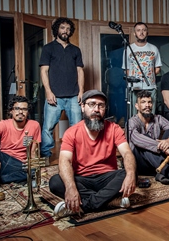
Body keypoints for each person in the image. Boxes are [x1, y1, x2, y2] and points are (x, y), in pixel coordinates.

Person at [49, 90, 137, 218]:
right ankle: (109, 200)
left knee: (131, 171)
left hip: (107, 178)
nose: (96, 109)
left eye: (101, 105)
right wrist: (71, 188)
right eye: (92, 104)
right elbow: (64, 160)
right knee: (56, 182)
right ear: (83, 107)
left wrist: (130, 175)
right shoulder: (71, 132)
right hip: (82, 179)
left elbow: (127, 153)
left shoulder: (114, 128)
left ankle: (85, 205)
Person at [39, 17, 84, 157]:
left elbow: (80, 71)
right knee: (47, 128)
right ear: (56, 29)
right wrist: (48, 92)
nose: (66, 31)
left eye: (68, 29)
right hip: (54, 96)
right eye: (63, 28)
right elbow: (43, 71)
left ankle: (76, 154)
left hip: (73, 96)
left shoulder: (76, 50)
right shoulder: (48, 48)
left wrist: (81, 91)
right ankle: (46, 155)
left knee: (77, 127)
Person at [0, 96, 41, 185]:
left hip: (17, 164)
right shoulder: (4, 124)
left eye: (24, 109)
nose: (20, 112)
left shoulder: (34, 125)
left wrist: (33, 164)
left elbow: (33, 152)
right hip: (0, 160)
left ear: (28, 112)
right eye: (17, 108)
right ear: (11, 111)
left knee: (34, 172)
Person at [128, 90, 169, 186]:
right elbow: (136, 138)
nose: (147, 105)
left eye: (149, 102)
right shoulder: (132, 121)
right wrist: (161, 146)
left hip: (156, 161)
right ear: (137, 106)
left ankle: (159, 174)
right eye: (143, 102)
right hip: (140, 163)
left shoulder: (158, 118)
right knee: (144, 141)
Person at [122, 22, 162, 116]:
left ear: (147, 33)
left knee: (150, 115)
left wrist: (148, 76)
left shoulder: (154, 48)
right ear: (134, 33)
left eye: (144, 30)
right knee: (134, 115)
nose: (141, 33)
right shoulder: (128, 49)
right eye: (138, 30)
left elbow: (157, 68)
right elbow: (126, 69)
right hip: (134, 88)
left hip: (150, 87)